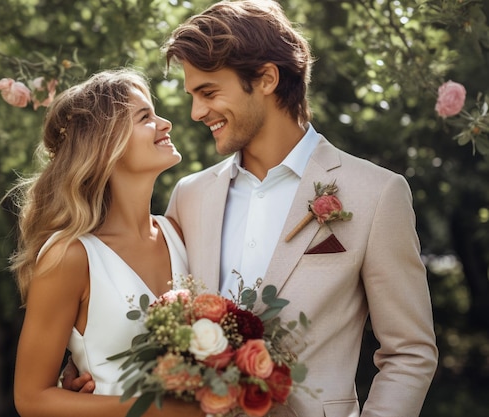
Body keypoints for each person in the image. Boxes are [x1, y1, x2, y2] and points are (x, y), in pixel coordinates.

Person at [64, 2, 439, 416]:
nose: (196, 112)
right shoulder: (190, 196)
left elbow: (410, 353)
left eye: (208, 92)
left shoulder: (377, 193)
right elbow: (146, 313)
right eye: (192, 96)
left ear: (265, 78)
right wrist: (91, 371)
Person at [10, 68, 204, 417]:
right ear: (105, 144)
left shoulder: (180, 232)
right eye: (146, 117)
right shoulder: (69, 256)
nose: (166, 124)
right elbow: (31, 398)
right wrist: (163, 412)